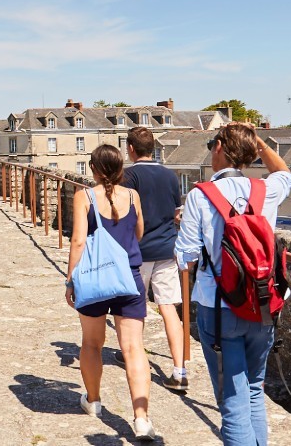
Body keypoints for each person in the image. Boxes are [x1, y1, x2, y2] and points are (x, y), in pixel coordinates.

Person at [176, 123, 291, 445]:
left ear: (218, 148)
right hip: (261, 304)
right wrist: (258, 143)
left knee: (232, 401)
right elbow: (287, 173)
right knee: (254, 390)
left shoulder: (200, 195)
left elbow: (185, 257)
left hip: (219, 307)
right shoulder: (265, 190)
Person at [64, 145, 158, 441]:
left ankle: (93, 401)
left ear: (93, 168)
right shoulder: (132, 196)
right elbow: (139, 232)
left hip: (94, 278)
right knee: (133, 348)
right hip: (128, 278)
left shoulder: (84, 197)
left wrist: (71, 280)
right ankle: (141, 418)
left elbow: (78, 240)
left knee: (92, 343)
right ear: (120, 170)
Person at [121, 126, 189, 390]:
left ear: (130, 149)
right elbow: (176, 212)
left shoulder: (129, 176)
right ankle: (179, 370)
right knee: (169, 308)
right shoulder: (170, 175)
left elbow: (126, 214)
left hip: (138, 251)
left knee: (135, 310)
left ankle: (134, 358)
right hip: (166, 249)